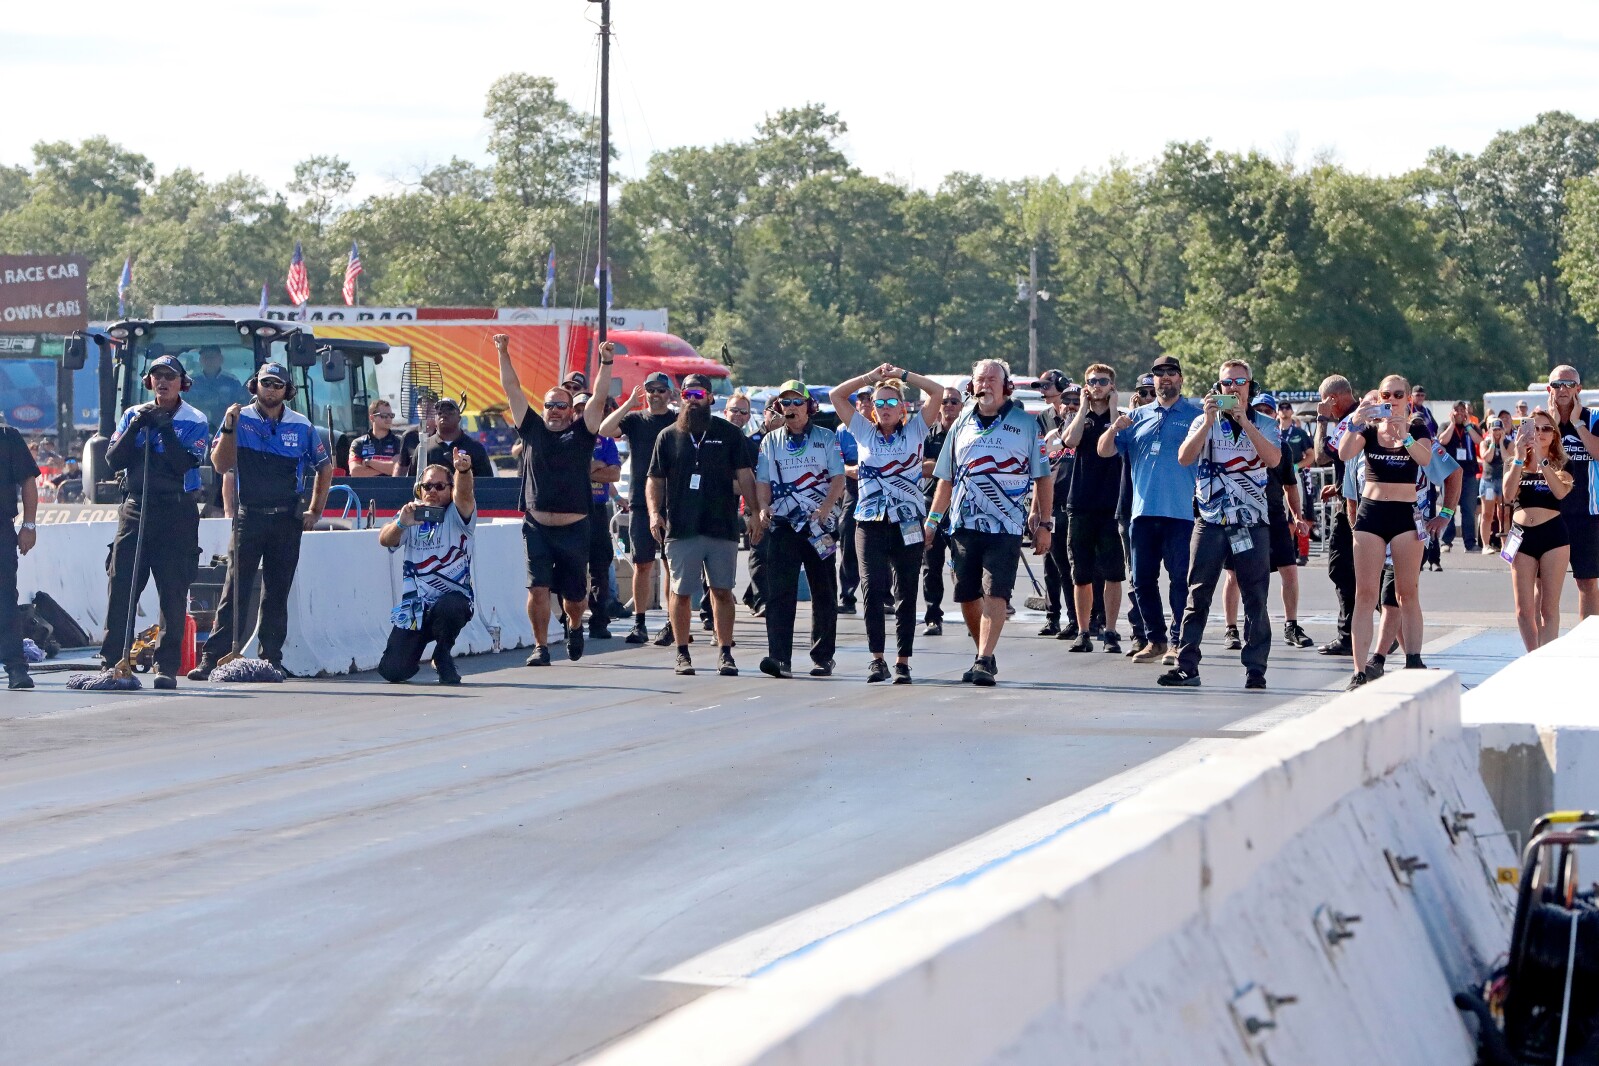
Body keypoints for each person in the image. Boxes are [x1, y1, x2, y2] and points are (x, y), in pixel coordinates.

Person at [194, 361, 332, 679]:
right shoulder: (239, 418)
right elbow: (220, 464)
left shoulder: (302, 425)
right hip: (249, 516)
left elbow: (325, 467)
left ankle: (271, 658)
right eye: (266, 383)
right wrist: (229, 427)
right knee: (235, 588)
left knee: (276, 591)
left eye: (277, 385)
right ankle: (212, 657)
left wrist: (315, 511)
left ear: (287, 391)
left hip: (287, 519)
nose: (271, 390)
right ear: (255, 385)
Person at [1157, 362, 1281, 689]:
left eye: (1241, 382)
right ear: (1219, 387)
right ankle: (1187, 666)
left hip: (1249, 522)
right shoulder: (1203, 419)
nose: (1234, 388)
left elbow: (1273, 460)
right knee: (1197, 593)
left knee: (1255, 595)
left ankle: (1256, 669)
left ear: (1250, 386)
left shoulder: (1265, 422)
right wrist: (1209, 420)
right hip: (1211, 521)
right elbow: (1184, 457)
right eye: (1228, 383)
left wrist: (1244, 421)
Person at [928, 358, 1051, 686]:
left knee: (996, 592)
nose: (986, 385)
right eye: (980, 379)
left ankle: (983, 659)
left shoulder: (1026, 424)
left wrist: (1044, 523)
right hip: (963, 526)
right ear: (972, 386)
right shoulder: (960, 423)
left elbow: (1043, 477)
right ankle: (984, 651)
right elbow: (946, 478)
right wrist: (932, 521)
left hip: (1006, 527)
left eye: (993, 379)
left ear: (1006, 386)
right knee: (967, 595)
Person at [498, 333, 613, 666]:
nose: (554, 410)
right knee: (537, 589)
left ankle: (575, 626)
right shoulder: (531, 427)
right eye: (549, 404)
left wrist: (606, 362)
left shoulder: (582, 431)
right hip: (537, 526)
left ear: (570, 411)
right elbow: (512, 389)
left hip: (575, 528)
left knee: (575, 597)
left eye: (561, 405)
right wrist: (503, 352)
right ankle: (541, 647)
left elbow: (600, 396)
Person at [829, 363, 943, 683]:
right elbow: (838, 395)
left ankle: (903, 661)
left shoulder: (917, 429)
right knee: (872, 588)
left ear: (903, 407)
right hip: (869, 521)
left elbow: (936, 391)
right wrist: (870, 379)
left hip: (907, 521)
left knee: (906, 590)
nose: (885, 408)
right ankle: (877, 658)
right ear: (873, 409)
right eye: (880, 403)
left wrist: (903, 376)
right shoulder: (863, 429)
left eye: (892, 402)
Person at [103, 355, 210, 688]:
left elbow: (183, 464)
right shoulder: (133, 414)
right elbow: (113, 459)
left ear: (182, 383)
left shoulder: (195, 419)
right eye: (156, 376)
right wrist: (137, 425)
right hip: (136, 508)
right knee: (122, 585)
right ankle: (113, 661)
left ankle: (166, 666)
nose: (162, 381)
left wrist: (164, 426)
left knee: (172, 591)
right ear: (149, 382)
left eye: (170, 376)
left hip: (176, 511)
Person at [648, 374, 762, 677]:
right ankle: (682, 653)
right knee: (681, 592)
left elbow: (746, 475)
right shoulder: (668, 436)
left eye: (698, 394)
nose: (692, 399)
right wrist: (653, 513)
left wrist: (754, 512)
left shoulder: (727, 433)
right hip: (682, 528)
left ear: (710, 398)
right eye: (687, 394)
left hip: (721, 526)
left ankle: (725, 652)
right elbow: (655, 479)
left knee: (722, 591)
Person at [1336, 374, 1440, 690]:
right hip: (1372, 512)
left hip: (1405, 515)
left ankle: (1413, 659)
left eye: (1397, 394)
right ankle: (1358, 669)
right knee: (1365, 594)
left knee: (1406, 592)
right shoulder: (1369, 428)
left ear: (1408, 398)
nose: (1391, 399)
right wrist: (1355, 422)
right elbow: (1343, 453)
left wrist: (1404, 435)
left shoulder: (1418, 426)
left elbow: (1426, 458)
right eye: (1385, 394)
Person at [1099, 356, 1203, 666]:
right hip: (1141, 513)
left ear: (1180, 379)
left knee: (1179, 582)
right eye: (1159, 374)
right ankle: (1155, 639)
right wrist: (1114, 427)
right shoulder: (1136, 416)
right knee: (1141, 580)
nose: (1165, 379)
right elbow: (1104, 450)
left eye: (1171, 373)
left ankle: (1176, 642)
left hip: (1181, 513)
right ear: (1153, 380)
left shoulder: (1196, 416)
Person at [754, 379, 846, 678]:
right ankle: (780, 658)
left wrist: (825, 508)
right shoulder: (771, 440)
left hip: (820, 527)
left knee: (824, 591)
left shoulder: (826, 437)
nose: (791, 408)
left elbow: (838, 478)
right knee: (779, 592)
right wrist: (763, 507)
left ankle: (823, 657)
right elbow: (763, 481)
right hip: (784, 525)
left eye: (797, 402)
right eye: (785, 403)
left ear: (809, 406)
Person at [1218, 392, 1315, 652]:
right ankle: (1231, 628)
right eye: (1258, 409)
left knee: (1289, 570)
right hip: (1241, 517)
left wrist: (1297, 516)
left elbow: (1290, 486)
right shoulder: (1232, 441)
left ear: (1273, 417)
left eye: (1267, 411)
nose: (1263, 414)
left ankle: (1291, 625)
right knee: (1234, 574)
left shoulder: (1281, 446)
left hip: (1274, 517)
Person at [378, 449, 477, 684]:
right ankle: (413, 654)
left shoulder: (458, 513)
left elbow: (464, 493)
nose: (432, 491)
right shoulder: (412, 512)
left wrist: (462, 470)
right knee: (392, 671)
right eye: (427, 486)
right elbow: (385, 539)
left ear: (449, 489)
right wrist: (401, 523)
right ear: (419, 489)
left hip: (452, 601)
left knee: (451, 607)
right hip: (416, 608)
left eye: (440, 487)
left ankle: (442, 654)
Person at [600, 372, 678, 645]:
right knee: (642, 564)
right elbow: (605, 430)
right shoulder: (635, 420)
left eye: (660, 389)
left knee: (671, 566)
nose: (655, 394)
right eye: (650, 390)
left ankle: (673, 622)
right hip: (640, 502)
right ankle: (640, 623)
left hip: (674, 502)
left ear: (668, 393)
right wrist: (629, 402)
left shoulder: (677, 421)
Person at [1061, 364, 1126, 653]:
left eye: (1103, 381)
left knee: (1113, 572)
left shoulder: (1122, 417)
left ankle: (1111, 630)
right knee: (1081, 573)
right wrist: (1083, 408)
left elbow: (1117, 446)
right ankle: (1084, 630)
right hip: (1081, 502)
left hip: (1112, 504)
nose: (1097, 386)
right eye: (1092, 382)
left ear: (1112, 386)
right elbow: (1069, 441)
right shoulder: (1080, 416)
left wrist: (1112, 411)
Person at [1503, 410, 1574, 650]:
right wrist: (1519, 458)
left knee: (1548, 607)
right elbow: (1508, 495)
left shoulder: (1562, 462)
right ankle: (1532, 656)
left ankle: (1547, 659)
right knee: (1524, 610)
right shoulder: (1516, 461)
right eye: (1535, 428)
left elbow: (1560, 492)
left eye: (1546, 429)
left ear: (1554, 434)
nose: (1540, 433)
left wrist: (1542, 460)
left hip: (1553, 535)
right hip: (1522, 536)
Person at [1310, 375, 1359, 657]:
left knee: (1342, 568)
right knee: (1350, 570)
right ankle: (1354, 632)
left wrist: (1321, 420)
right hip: (1350, 497)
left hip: (1354, 507)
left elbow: (1321, 456)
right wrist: (1338, 486)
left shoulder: (1349, 421)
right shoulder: (1359, 417)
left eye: (1322, 400)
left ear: (1332, 400)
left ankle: (1350, 635)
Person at [1546, 366, 1599, 619]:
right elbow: (1532, 461)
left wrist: (1577, 423)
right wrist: (1553, 425)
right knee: (1543, 585)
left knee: (1586, 582)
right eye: (1557, 385)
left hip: (1586, 513)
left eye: (1569, 384)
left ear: (1579, 389)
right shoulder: (1542, 422)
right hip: (1549, 513)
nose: (1563, 389)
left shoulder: (1594, 417)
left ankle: (1588, 642)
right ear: (1549, 389)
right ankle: (1542, 645)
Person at [1035, 371, 1082, 638]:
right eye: (1066, 402)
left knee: (1073, 567)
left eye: (1075, 401)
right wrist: (1035, 510)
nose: (1069, 406)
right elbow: (1040, 471)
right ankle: (1053, 616)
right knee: (1052, 566)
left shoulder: (1084, 430)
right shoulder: (1050, 430)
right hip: (1051, 506)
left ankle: (1081, 619)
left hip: (1077, 505)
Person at [575, 392, 621, 639]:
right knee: (572, 566)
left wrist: (587, 470)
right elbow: (569, 471)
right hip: (573, 509)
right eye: (579, 408)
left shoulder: (606, 440)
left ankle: (599, 620)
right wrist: (597, 466)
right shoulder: (568, 437)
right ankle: (569, 621)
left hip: (599, 509)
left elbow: (614, 474)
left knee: (600, 566)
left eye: (588, 407)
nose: (584, 412)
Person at [920, 385, 964, 636]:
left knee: (964, 563)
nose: (948, 406)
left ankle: (972, 611)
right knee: (931, 565)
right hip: (932, 505)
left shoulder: (968, 433)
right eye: (944, 402)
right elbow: (919, 466)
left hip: (960, 505)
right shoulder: (928, 435)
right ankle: (933, 617)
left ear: (961, 406)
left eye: (954, 402)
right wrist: (945, 466)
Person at [1117, 375, 1155, 656]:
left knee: (1177, 577)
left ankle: (1170, 635)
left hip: (1167, 509)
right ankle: (1139, 632)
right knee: (1137, 577)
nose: (1148, 396)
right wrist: (1132, 414)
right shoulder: (1131, 421)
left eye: (1152, 392)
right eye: (1143, 392)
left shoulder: (1177, 420)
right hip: (1131, 507)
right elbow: (1111, 450)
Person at [3, 419, 40, 690]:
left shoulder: (8, 437)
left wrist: (29, 525)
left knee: (5, 598)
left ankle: (16, 666)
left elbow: (28, 480)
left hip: (1, 528)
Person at [398, 395, 493, 479]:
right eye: (439, 413)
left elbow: (487, 484)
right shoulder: (423, 448)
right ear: (435, 420)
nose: (444, 415)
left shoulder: (475, 448)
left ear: (459, 418)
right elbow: (413, 483)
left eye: (449, 412)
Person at [835, 388, 870, 615]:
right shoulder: (842, 430)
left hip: (878, 490)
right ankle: (847, 596)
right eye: (862, 399)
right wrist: (850, 470)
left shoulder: (882, 426)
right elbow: (836, 463)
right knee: (847, 533)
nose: (866, 403)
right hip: (853, 488)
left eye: (870, 399)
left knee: (879, 540)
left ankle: (885, 596)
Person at [1437, 401, 1481, 553]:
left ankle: (1470, 543)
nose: (1460, 413)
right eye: (1457, 410)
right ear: (1452, 412)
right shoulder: (1445, 425)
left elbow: (1480, 442)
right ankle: (1445, 542)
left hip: (1469, 473)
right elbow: (1443, 440)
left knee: (1469, 510)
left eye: (1463, 410)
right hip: (1450, 473)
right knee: (1449, 508)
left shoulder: (1471, 428)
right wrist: (1451, 424)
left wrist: (1468, 425)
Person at [186, 345, 248, 433]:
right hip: (195, 428)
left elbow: (241, 406)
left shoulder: (232, 381)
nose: (209, 360)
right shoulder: (191, 382)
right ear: (200, 360)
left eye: (212, 357)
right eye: (205, 357)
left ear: (221, 359)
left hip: (226, 428)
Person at [347, 399, 403, 476]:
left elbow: (398, 469)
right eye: (384, 415)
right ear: (372, 418)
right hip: (367, 487)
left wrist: (368, 462)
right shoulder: (358, 443)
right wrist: (387, 468)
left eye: (391, 415)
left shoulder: (399, 442)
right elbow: (354, 471)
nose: (389, 419)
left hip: (391, 487)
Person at [1479, 416, 1508, 553]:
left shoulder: (1509, 443)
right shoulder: (1484, 443)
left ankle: (1504, 545)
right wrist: (1492, 443)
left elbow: (1507, 459)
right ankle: (1486, 544)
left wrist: (1501, 443)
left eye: (1499, 429)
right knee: (1487, 514)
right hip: (1489, 481)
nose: (1497, 432)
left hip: (1503, 481)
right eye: (1494, 429)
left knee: (1503, 513)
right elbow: (1488, 457)